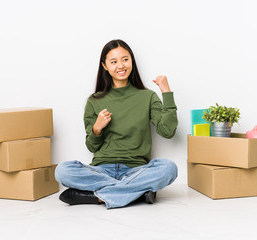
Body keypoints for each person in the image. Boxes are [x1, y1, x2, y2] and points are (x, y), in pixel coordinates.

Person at [55, 39, 178, 209]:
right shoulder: (94, 101)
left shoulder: (147, 97)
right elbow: (91, 147)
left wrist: (166, 92)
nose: (121, 65)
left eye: (125, 59)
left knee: (168, 168)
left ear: (132, 61)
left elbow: (168, 131)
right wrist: (97, 128)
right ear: (105, 66)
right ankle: (137, 191)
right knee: (62, 171)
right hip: (102, 170)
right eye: (113, 62)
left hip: (136, 169)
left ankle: (96, 197)